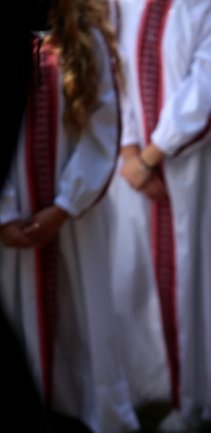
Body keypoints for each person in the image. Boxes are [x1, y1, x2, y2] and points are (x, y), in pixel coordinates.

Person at [0, 0, 139, 432]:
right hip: (12, 217)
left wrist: (64, 206)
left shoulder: (88, 38)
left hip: (76, 218)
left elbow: (103, 125)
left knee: (83, 319)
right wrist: (4, 212)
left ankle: (86, 413)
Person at [110, 0, 211, 431]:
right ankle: (142, 384)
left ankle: (194, 398)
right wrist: (130, 150)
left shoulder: (210, 6)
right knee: (131, 274)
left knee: (190, 278)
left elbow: (208, 86)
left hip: (190, 166)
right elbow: (118, 71)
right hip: (131, 165)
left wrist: (153, 155)